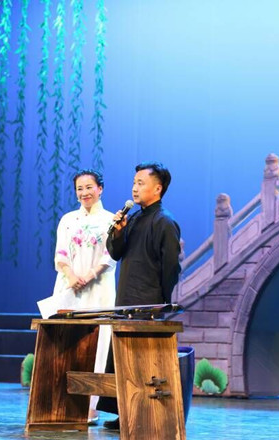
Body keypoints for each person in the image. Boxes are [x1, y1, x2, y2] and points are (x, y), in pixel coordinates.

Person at [97, 162, 182, 429]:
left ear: (158, 188)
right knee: (122, 359)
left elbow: (171, 267)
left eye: (141, 183)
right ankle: (124, 412)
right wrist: (118, 231)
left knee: (142, 360)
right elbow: (115, 253)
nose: (135, 188)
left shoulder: (165, 221)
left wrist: (162, 301)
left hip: (148, 302)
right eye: (134, 182)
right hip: (126, 299)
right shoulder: (132, 218)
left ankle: (144, 414)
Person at [51, 169, 116, 423]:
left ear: (100, 189)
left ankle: (91, 406)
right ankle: (63, 403)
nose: (84, 192)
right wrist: (70, 276)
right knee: (66, 342)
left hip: (98, 287)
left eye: (89, 187)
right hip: (70, 287)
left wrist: (89, 275)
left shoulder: (111, 219)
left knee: (98, 343)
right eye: (80, 188)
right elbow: (61, 253)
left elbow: (110, 256)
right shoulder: (68, 219)